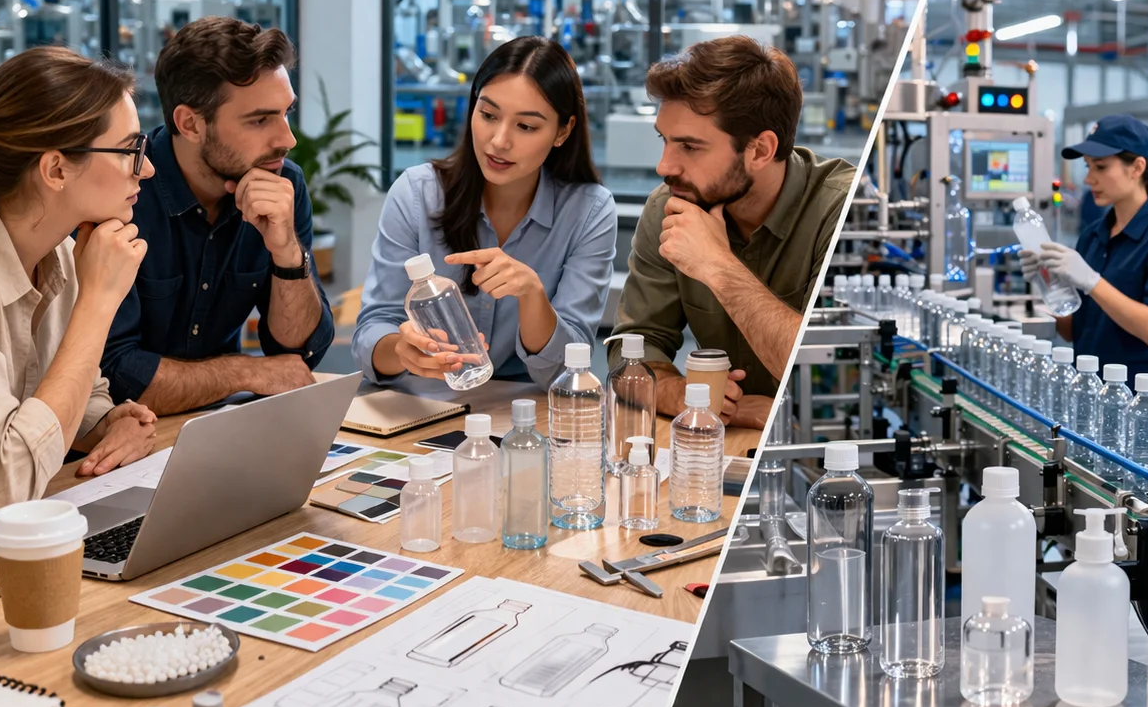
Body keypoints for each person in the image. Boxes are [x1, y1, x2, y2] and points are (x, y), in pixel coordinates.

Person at [611, 36, 856, 429]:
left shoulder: (841, 211)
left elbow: (820, 366)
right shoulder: (669, 206)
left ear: (760, 150)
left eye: (690, 147)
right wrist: (683, 395)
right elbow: (632, 349)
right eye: (665, 140)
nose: (664, 166)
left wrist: (718, 266)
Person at [0, 47, 158, 516]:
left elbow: (71, 391)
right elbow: (4, 481)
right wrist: (98, 303)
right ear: (56, 169)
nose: (146, 168)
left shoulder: (62, 254)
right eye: (132, 150)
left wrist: (104, 422)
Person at [101, 17, 333, 415]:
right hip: (119, 439)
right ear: (190, 124)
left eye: (286, 113)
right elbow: (115, 376)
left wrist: (287, 254)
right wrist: (245, 373)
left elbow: (297, 354)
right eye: (260, 120)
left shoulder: (280, 184)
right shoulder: (122, 196)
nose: (288, 139)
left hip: (217, 425)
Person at [354, 37, 614, 388]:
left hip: (523, 412)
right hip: (423, 403)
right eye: (489, 115)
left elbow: (567, 370)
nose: (499, 141)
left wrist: (532, 296)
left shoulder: (589, 211)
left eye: (526, 126)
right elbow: (373, 328)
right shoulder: (417, 193)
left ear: (562, 131)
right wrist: (401, 350)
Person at [1022, 115, 1148, 397]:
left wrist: (1092, 281)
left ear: (1137, 167)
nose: (1089, 179)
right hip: (1090, 389)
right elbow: (1071, 331)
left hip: (1143, 398)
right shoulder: (1093, 235)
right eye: (1088, 167)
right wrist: (1047, 284)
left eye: (1101, 167)